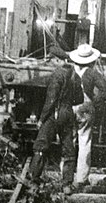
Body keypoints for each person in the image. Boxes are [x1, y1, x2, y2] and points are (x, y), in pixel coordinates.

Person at [29, 57, 81, 193]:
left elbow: (51, 100)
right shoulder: (74, 74)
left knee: (41, 145)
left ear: (58, 60)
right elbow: (79, 98)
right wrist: (67, 104)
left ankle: (34, 180)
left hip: (55, 113)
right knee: (68, 147)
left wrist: (41, 119)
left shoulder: (57, 74)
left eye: (52, 60)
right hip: (68, 112)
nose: (50, 62)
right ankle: (67, 185)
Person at [69, 44, 106, 189]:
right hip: (85, 108)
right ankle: (81, 179)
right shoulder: (92, 73)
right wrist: (95, 103)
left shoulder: (68, 70)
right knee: (84, 142)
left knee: (68, 141)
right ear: (91, 60)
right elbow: (105, 90)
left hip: (69, 107)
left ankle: (66, 177)